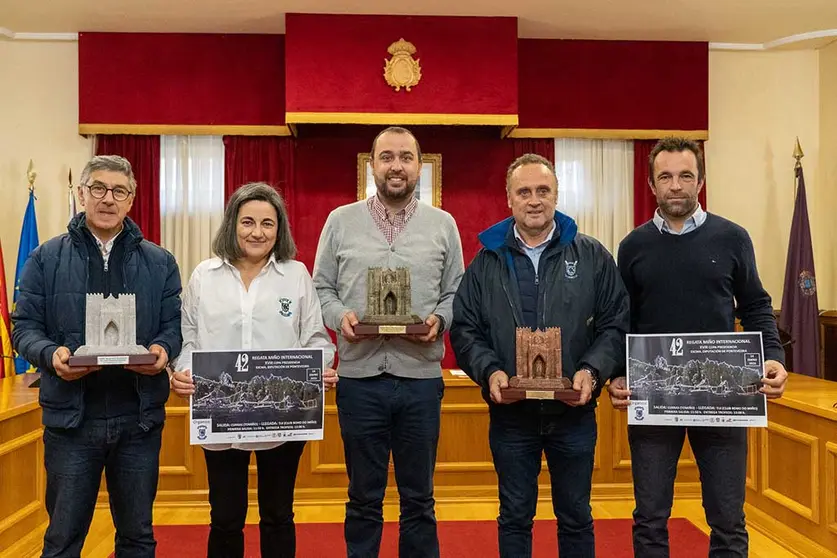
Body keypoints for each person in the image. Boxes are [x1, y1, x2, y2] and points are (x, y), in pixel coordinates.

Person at [609, 137, 789, 558]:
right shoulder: (632, 246)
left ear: (700, 181)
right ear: (652, 184)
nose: (676, 185)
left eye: (685, 176)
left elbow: (757, 306)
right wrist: (617, 373)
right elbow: (621, 322)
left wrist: (775, 358)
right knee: (650, 517)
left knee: (728, 519)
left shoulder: (732, 238)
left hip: (723, 399)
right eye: (665, 176)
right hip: (653, 400)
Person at [449, 153, 630, 558]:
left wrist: (592, 369)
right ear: (509, 199)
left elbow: (615, 324)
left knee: (576, 517)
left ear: (556, 196)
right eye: (524, 191)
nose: (534, 200)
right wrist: (490, 371)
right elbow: (465, 329)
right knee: (514, 517)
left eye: (543, 191)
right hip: (512, 416)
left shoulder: (592, 256)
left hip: (575, 414)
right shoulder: (485, 262)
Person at [11, 155, 182, 558]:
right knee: (63, 539)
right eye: (99, 188)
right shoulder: (45, 258)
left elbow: (173, 326)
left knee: (137, 537)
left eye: (119, 191)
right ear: (82, 193)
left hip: (138, 420)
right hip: (72, 421)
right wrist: (52, 355)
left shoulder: (160, 262)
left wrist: (163, 350)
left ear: (131, 199)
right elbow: (23, 328)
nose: (108, 198)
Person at [312, 126, 464, 558]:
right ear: (372, 165)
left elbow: (457, 292)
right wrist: (339, 316)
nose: (396, 166)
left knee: (419, 498)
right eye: (387, 157)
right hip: (359, 381)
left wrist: (440, 318)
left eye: (405, 157)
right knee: (363, 497)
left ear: (419, 166)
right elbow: (321, 288)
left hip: (420, 382)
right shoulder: (340, 221)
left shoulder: (443, 224)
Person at [169, 182, 338, 558]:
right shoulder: (203, 276)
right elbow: (189, 340)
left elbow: (315, 338)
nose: (257, 232)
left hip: (283, 418)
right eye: (247, 222)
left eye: (267, 223)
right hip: (219, 418)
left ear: (280, 230)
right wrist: (181, 371)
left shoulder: (296, 275)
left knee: (278, 514)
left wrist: (321, 368)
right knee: (226, 517)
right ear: (232, 225)